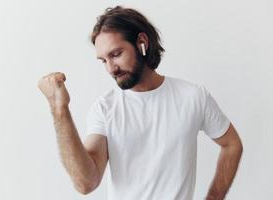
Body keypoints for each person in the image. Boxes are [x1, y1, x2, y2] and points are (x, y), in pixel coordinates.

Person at [38, 6, 243, 200]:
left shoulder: (193, 96)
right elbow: (86, 183)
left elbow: (232, 144)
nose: (111, 69)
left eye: (116, 54)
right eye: (103, 60)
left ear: (141, 42)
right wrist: (59, 110)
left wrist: (214, 197)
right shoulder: (104, 108)